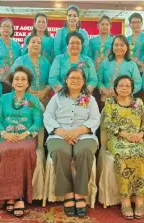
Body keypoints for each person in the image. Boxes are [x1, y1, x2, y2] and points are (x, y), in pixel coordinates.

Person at [44, 67, 100, 218]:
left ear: (83, 82)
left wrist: (77, 131)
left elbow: (95, 119)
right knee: (61, 152)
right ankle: (67, 193)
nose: (75, 81)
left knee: (84, 152)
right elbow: (48, 116)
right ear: (66, 80)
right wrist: (62, 132)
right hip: (59, 134)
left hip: (84, 135)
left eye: (79, 78)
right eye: (72, 78)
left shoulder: (90, 99)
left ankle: (80, 194)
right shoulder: (57, 97)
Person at [0, 66, 43, 218]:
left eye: (23, 79)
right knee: (7, 151)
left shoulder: (33, 100)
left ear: (28, 84)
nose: (19, 82)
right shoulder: (4, 98)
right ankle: (9, 195)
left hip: (26, 136)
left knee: (24, 151)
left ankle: (19, 196)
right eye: (16, 79)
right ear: (12, 83)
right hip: (6, 136)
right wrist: (5, 133)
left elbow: (37, 120)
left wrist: (25, 134)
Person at [101, 75, 144, 220]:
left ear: (132, 88)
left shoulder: (139, 102)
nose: (124, 88)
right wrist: (124, 134)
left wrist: (141, 134)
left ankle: (140, 200)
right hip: (117, 139)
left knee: (143, 157)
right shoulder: (110, 102)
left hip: (136, 139)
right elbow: (108, 123)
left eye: (127, 86)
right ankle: (125, 200)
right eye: (121, 85)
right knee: (123, 157)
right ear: (115, 88)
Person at [98, 35, 142, 106]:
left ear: (127, 47)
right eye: (116, 45)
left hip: (126, 101)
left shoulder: (132, 64)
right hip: (106, 100)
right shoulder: (105, 63)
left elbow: (138, 83)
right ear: (112, 47)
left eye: (122, 45)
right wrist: (104, 90)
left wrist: (125, 92)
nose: (119, 47)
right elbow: (98, 80)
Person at [12, 34, 51, 106]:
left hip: (43, 99)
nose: (36, 44)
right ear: (27, 45)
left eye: (39, 43)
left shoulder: (46, 63)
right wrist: (28, 91)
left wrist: (44, 92)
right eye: (33, 42)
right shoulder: (20, 61)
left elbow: (51, 81)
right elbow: (12, 78)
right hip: (24, 99)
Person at [0, 18, 21, 93]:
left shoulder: (16, 45)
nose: (6, 28)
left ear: (12, 30)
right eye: (4, 26)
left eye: (9, 26)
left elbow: (19, 63)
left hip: (13, 81)